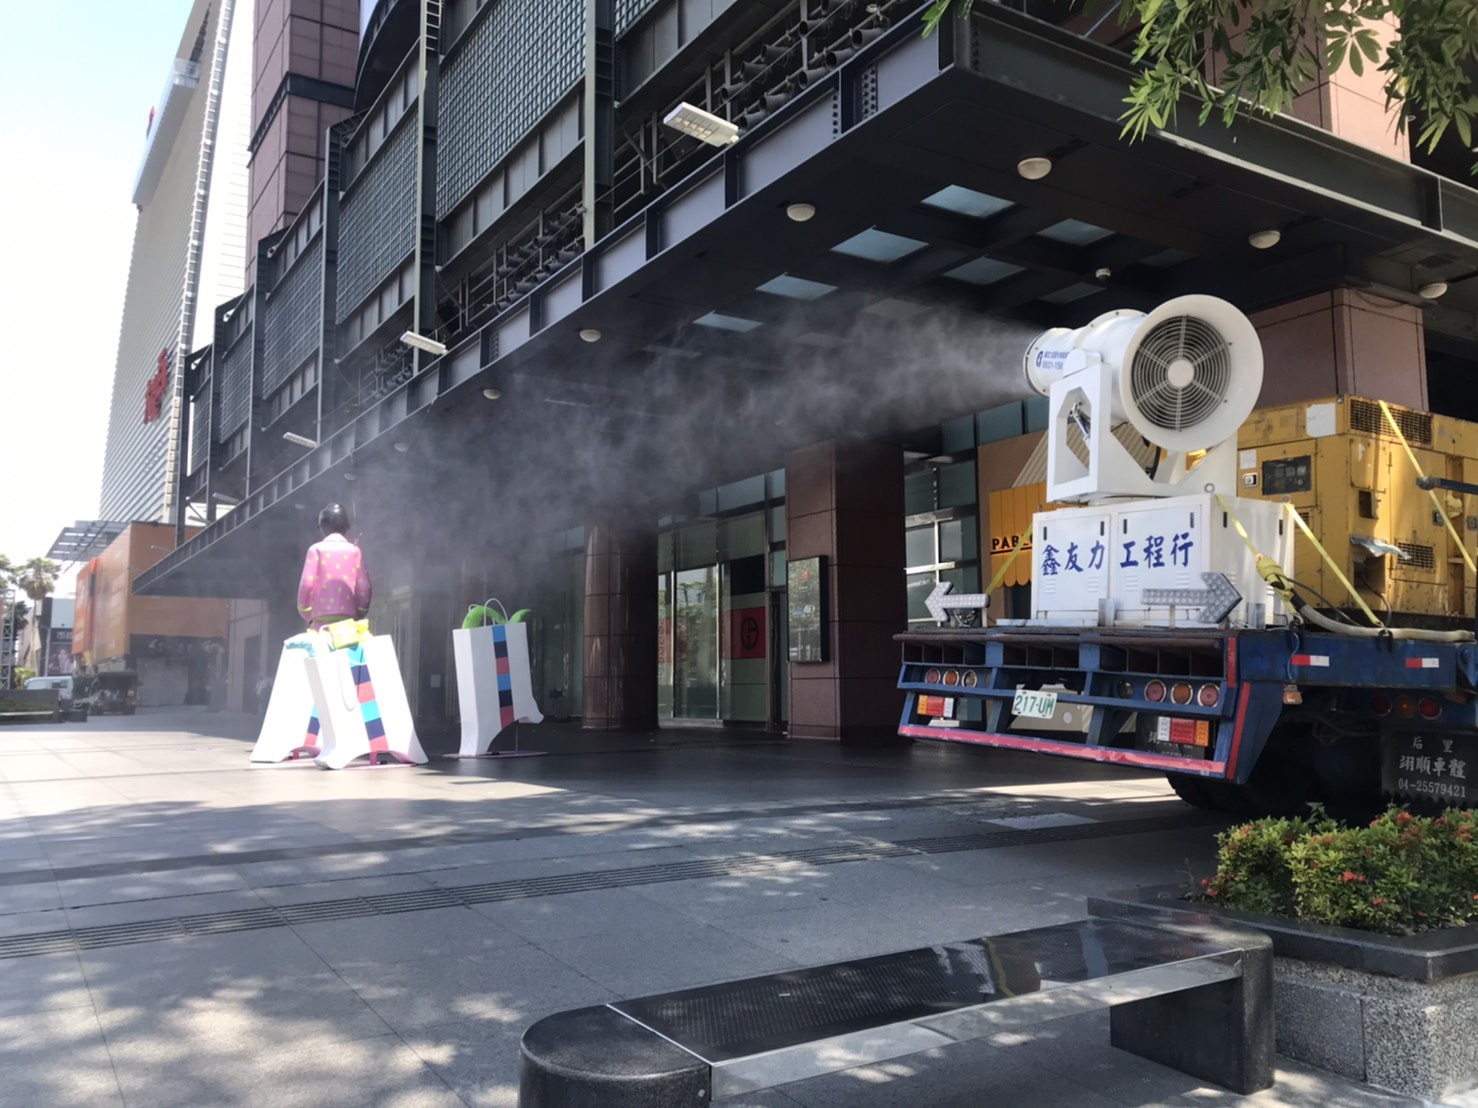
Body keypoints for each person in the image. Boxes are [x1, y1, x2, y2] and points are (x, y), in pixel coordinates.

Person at [297, 503, 372, 631]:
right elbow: (364, 586)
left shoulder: (315, 550)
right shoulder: (354, 551)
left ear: (322, 527)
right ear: (346, 527)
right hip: (348, 624)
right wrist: (361, 611)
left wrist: (306, 611)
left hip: (320, 623)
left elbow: (307, 583)